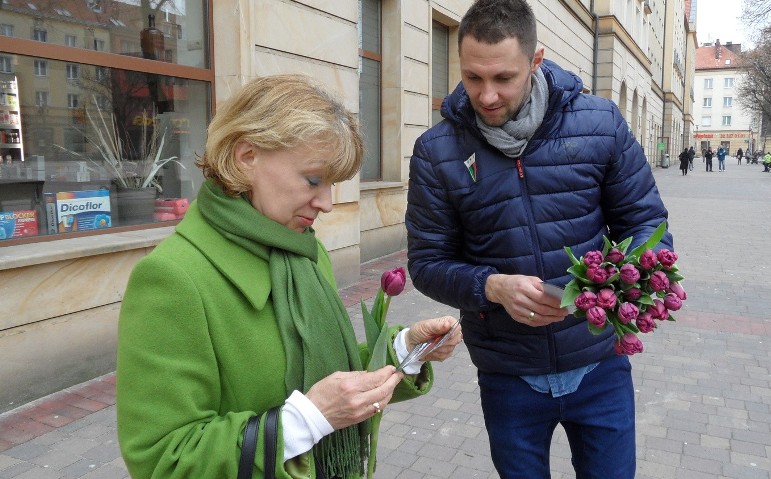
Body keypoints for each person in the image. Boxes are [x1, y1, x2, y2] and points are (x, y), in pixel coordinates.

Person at [116, 75, 462, 479]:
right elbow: (163, 459)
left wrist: (404, 351)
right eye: (314, 180)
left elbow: (322, 370)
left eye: (333, 184)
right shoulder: (172, 278)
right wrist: (308, 420)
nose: (328, 203)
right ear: (247, 155)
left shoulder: (304, 251)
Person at [405, 1, 672, 477]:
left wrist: (599, 293)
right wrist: (492, 286)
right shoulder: (436, 152)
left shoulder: (600, 124)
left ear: (536, 61)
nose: (486, 96)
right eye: (472, 77)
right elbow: (427, 263)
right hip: (508, 374)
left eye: (503, 78)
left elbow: (648, 230)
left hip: (598, 365)